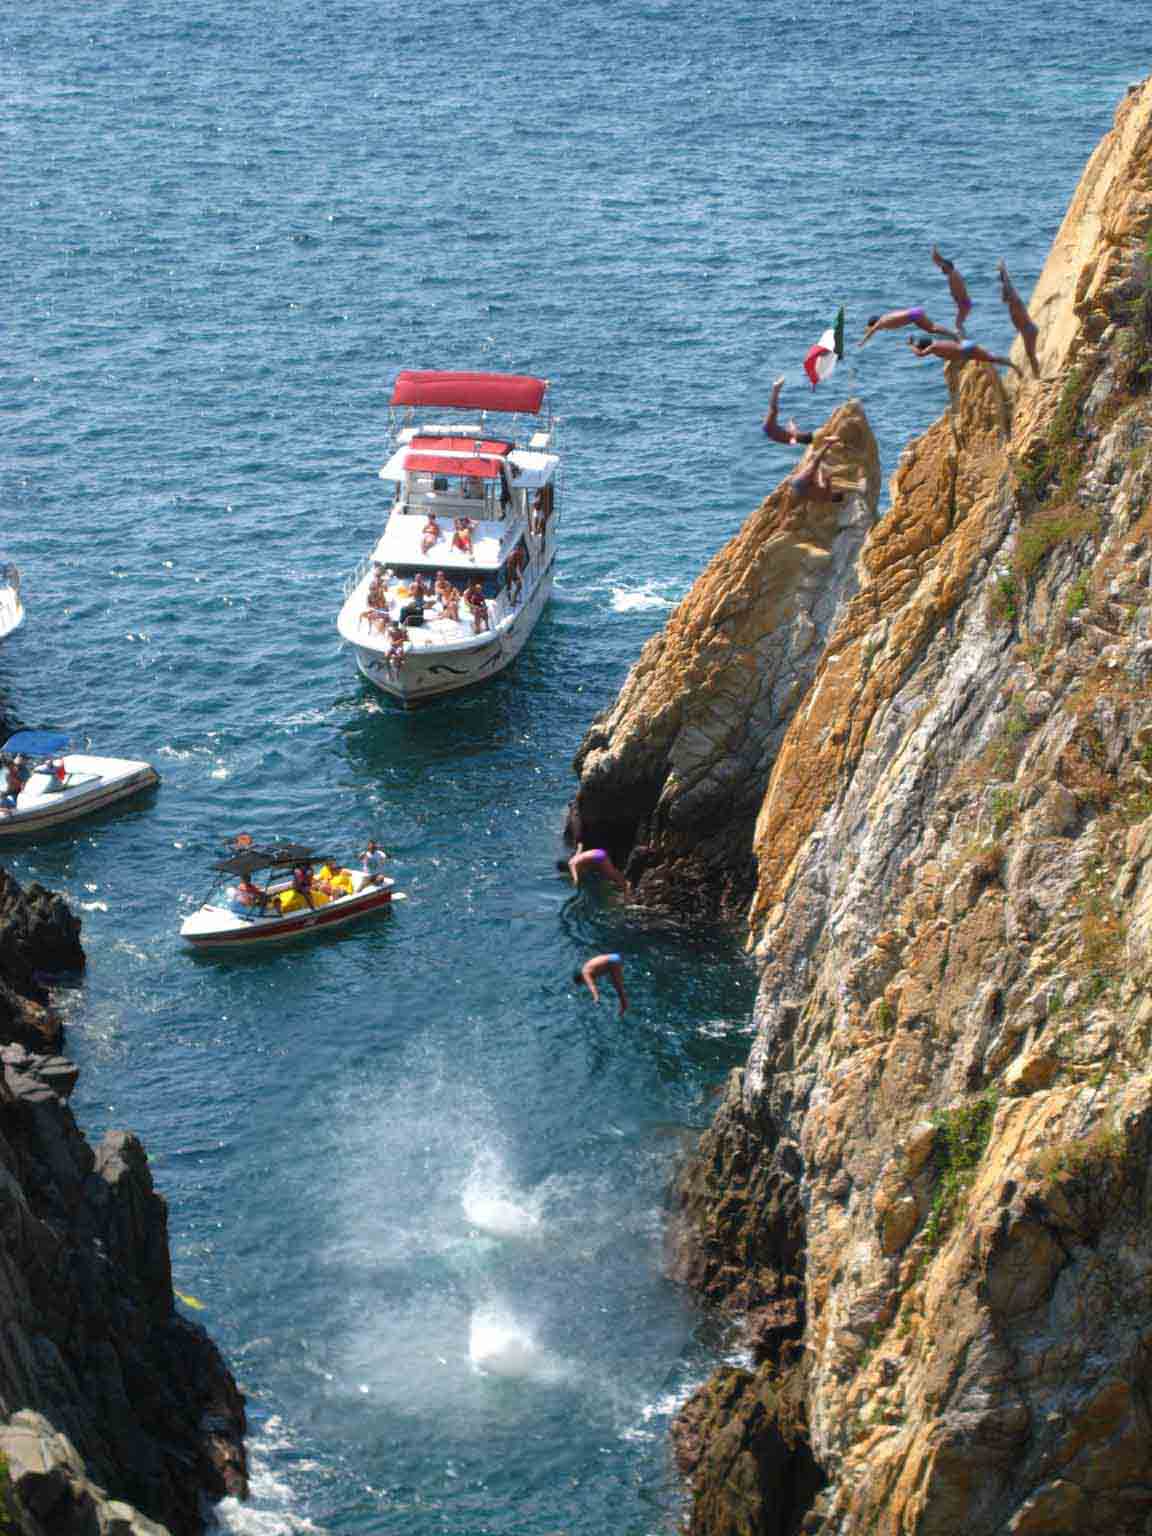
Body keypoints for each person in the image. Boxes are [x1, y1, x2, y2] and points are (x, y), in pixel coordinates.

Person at [998, 259, 1042, 377]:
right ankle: (1037, 373)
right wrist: (1002, 274)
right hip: (1027, 330)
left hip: (1029, 330)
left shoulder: (1015, 300)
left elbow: (1008, 284)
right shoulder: (1012, 303)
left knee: (1030, 355)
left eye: (1003, 294)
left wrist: (1003, 270)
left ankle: (1037, 376)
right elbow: (1005, 283)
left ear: (1008, 294)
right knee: (1030, 354)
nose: (1001, 297)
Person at [907, 335, 1020, 373]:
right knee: (987, 357)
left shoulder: (933, 347)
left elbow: (920, 354)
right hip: (965, 347)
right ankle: (1008, 362)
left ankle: (1012, 365)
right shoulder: (936, 343)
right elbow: (950, 353)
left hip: (966, 349)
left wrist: (910, 345)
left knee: (991, 358)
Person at [789, 435, 845, 505]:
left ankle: (829, 443)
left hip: (800, 484)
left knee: (815, 462)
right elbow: (820, 482)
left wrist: (823, 470)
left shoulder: (828, 492)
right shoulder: (823, 500)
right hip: (798, 489)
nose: (834, 490)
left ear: (834, 496)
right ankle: (825, 446)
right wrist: (819, 471)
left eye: (835, 491)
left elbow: (826, 478)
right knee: (814, 473)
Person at [859, 307, 957, 346]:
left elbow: (871, 331)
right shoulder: (884, 318)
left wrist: (861, 343)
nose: (878, 329)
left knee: (932, 329)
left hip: (914, 315)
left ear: (875, 323)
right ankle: (952, 334)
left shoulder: (881, 322)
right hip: (914, 314)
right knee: (931, 329)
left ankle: (953, 334)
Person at [931, 246, 973, 336]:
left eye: (943, 268)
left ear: (948, 268)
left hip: (964, 303)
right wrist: (936, 255)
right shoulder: (953, 272)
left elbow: (961, 294)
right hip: (964, 303)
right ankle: (962, 337)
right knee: (958, 323)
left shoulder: (953, 275)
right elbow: (942, 263)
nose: (942, 270)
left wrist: (960, 303)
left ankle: (962, 340)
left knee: (958, 324)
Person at [565, 844, 631, 897]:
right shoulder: (574, 858)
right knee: (611, 873)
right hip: (598, 852)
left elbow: (576, 879)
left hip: (599, 857)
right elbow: (580, 847)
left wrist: (573, 886)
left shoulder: (571, 864)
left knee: (611, 875)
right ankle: (623, 884)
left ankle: (626, 888)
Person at [762, 377, 813, 445]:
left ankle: (776, 388)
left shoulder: (794, 440)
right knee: (774, 411)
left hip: (770, 429)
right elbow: (792, 427)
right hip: (771, 429)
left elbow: (792, 439)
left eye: (803, 434)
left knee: (774, 410)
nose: (802, 432)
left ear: (802, 438)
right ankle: (776, 388)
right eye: (803, 433)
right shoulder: (796, 433)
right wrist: (791, 421)